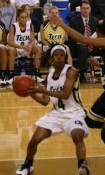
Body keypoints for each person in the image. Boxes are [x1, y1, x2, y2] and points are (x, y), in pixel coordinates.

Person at [51, 16, 105, 175]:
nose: (95, 32)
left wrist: (62, 24)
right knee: (90, 120)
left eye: (98, 31)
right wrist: (98, 64)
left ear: (103, 33)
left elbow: (82, 39)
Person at [16, 44, 90, 175]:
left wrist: (42, 89)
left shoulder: (71, 71)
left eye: (62, 55)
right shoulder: (50, 75)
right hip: (56, 114)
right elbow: (45, 101)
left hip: (74, 113)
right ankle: (28, 165)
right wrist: (32, 93)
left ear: (65, 57)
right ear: (51, 59)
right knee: (34, 140)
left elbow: (66, 94)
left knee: (77, 136)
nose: (60, 58)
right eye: (57, 55)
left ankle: (82, 165)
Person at [7, 11, 43, 84]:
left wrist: (30, 46)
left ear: (28, 18)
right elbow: (10, 42)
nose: (24, 19)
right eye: (22, 17)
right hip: (16, 48)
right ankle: (11, 75)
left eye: (25, 17)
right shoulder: (13, 26)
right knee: (11, 49)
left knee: (38, 49)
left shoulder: (30, 25)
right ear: (18, 18)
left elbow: (32, 40)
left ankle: (36, 73)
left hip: (27, 49)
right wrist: (21, 47)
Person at [69, 1, 98, 82]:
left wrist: (90, 42)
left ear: (90, 10)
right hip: (78, 46)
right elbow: (73, 37)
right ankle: (82, 74)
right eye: (84, 8)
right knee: (83, 48)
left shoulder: (95, 20)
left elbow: (98, 35)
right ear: (81, 9)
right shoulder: (74, 21)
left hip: (92, 45)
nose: (85, 10)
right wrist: (85, 42)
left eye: (87, 8)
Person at [0, 11, 8, 87]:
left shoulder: (2, 25)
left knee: (3, 49)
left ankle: (2, 75)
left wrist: (1, 43)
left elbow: (4, 40)